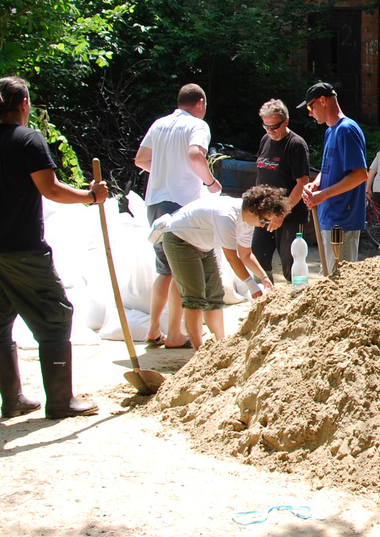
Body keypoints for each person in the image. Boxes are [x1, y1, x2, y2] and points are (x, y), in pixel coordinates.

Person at [0, 76, 107, 420]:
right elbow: (51, 189)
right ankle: (60, 402)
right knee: (56, 317)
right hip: (25, 249)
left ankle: (12, 400)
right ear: (25, 104)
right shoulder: (29, 140)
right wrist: (91, 197)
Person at [134, 84, 219, 348]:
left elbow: (141, 159)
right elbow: (196, 155)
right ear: (201, 102)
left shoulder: (160, 124)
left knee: (164, 270)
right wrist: (210, 182)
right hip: (181, 205)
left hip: (155, 202)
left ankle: (153, 329)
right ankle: (174, 335)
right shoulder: (197, 126)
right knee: (179, 269)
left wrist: (165, 171)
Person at [147, 186, 285, 349]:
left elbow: (246, 255)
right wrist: (252, 286)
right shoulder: (227, 216)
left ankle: (221, 345)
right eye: (263, 220)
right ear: (253, 210)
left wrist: (263, 278)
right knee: (194, 298)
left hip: (203, 245)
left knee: (214, 294)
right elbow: (232, 258)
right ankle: (199, 351)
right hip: (180, 239)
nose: (264, 225)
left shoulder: (248, 222)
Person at [299, 82, 367, 276]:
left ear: (322, 101)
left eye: (310, 107)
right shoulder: (331, 131)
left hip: (343, 221)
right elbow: (330, 167)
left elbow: (360, 174)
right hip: (329, 217)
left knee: (339, 282)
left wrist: (322, 195)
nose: (310, 113)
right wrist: (316, 183)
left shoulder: (347, 130)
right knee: (328, 278)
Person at [251, 98, 313, 283]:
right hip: (264, 213)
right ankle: (264, 298)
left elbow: (302, 183)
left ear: (286, 121)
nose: (271, 131)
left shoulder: (296, 145)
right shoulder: (265, 140)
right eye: (266, 127)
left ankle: (297, 300)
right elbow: (261, 176)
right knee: (258, 256)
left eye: (275, 127)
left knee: (291, 264)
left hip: (290, 214)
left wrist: (281, 213)